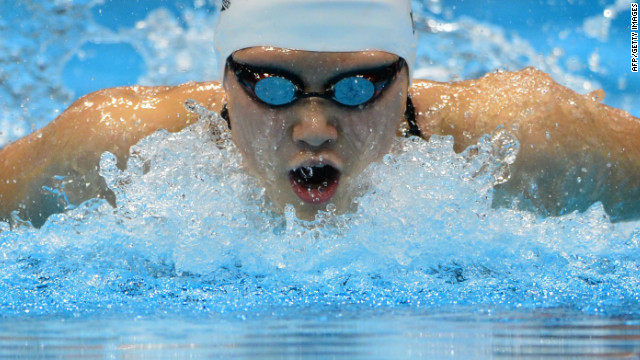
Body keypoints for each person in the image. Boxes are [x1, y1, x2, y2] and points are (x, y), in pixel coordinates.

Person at [0, 0, 639, 227]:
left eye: (357, 87)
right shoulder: (109, 153)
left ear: (407, 80)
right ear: (224, 80)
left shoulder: (527, 140)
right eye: (273, 88)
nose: (313, 129)